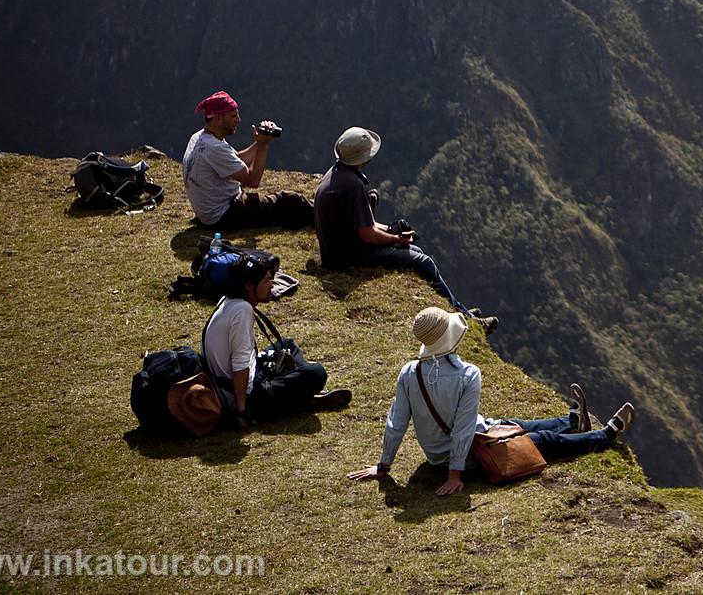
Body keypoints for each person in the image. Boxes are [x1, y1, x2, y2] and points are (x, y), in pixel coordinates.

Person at [346, 307, 632, 496]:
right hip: (468, 458)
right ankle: (603, 437)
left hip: (437, 456)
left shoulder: (410, 372)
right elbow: (462, 427)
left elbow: (396, 422)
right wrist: (456, 474)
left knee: (515, 424)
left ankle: (572, 422)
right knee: (540, 440)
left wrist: (383, 466)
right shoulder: (467, 374)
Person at [314, 126, 498, 333]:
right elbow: (368, 234)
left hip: (336, 250)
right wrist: (397, 240)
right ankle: (467, 318)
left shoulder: (335, 174)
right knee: (424, 261)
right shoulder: (353, 186)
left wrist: (393, 233)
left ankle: (459, 310)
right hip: (348, 257)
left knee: (416, 253)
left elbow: (365, 225)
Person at [202, 253, 351, 425]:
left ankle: (299, 392)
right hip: (250, 396)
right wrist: (242, 411)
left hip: (239, 378)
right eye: (266, 281)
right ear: (249, 285)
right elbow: (240, 364)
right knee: (317, 373)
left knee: (286, 344)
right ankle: (303, 398)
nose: (271, 286)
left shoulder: (228, 300)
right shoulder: (241, 310)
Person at [182, 91, 314, 229]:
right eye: (233, 116)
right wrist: (263, 146)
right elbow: (253, 180)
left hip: (209, 213)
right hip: (224, 215)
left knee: (282, 204)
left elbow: (236, 159)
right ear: (218, 118)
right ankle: (327, 215)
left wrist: (259, 141)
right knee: (290, 200)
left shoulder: (200, 138)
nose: (238, 119)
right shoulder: (214, 148)